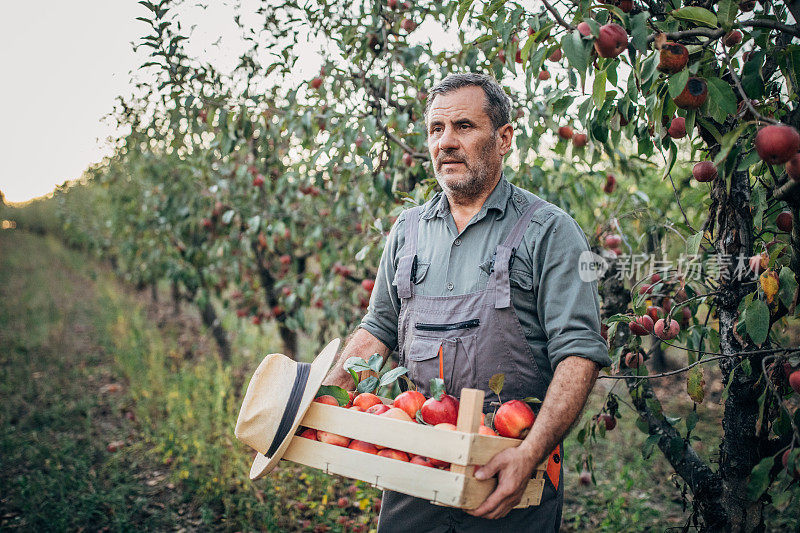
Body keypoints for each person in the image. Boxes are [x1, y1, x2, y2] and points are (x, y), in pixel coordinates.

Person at [323, 73, 611, 532]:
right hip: (413, 467)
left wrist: (528, 453)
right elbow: (378, 328)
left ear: (504, 139)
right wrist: (322, 405)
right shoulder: (408, 231)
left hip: (507, 471)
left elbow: (579, 352)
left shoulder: (549, 231)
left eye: (463, 126)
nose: (446, 142)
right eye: (436, 129)